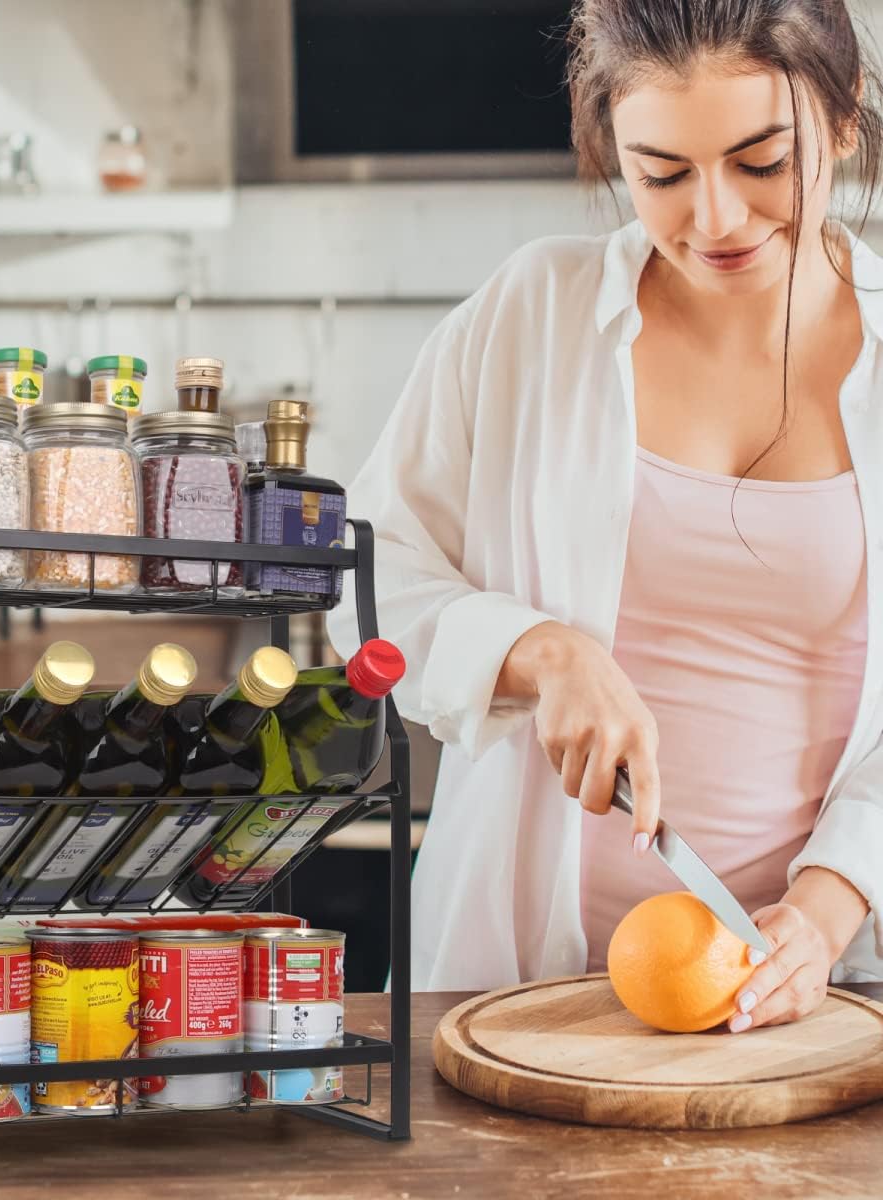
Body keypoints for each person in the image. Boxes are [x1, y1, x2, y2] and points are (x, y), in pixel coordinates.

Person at [328, 0, 883, 1029]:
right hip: (505, 991)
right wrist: (538, 652)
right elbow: (361, 581)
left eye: (764, 162)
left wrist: (828, 905)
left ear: (846, 118)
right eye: (662, 174)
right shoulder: (534, 312)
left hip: (797, 1002)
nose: (715, 218)